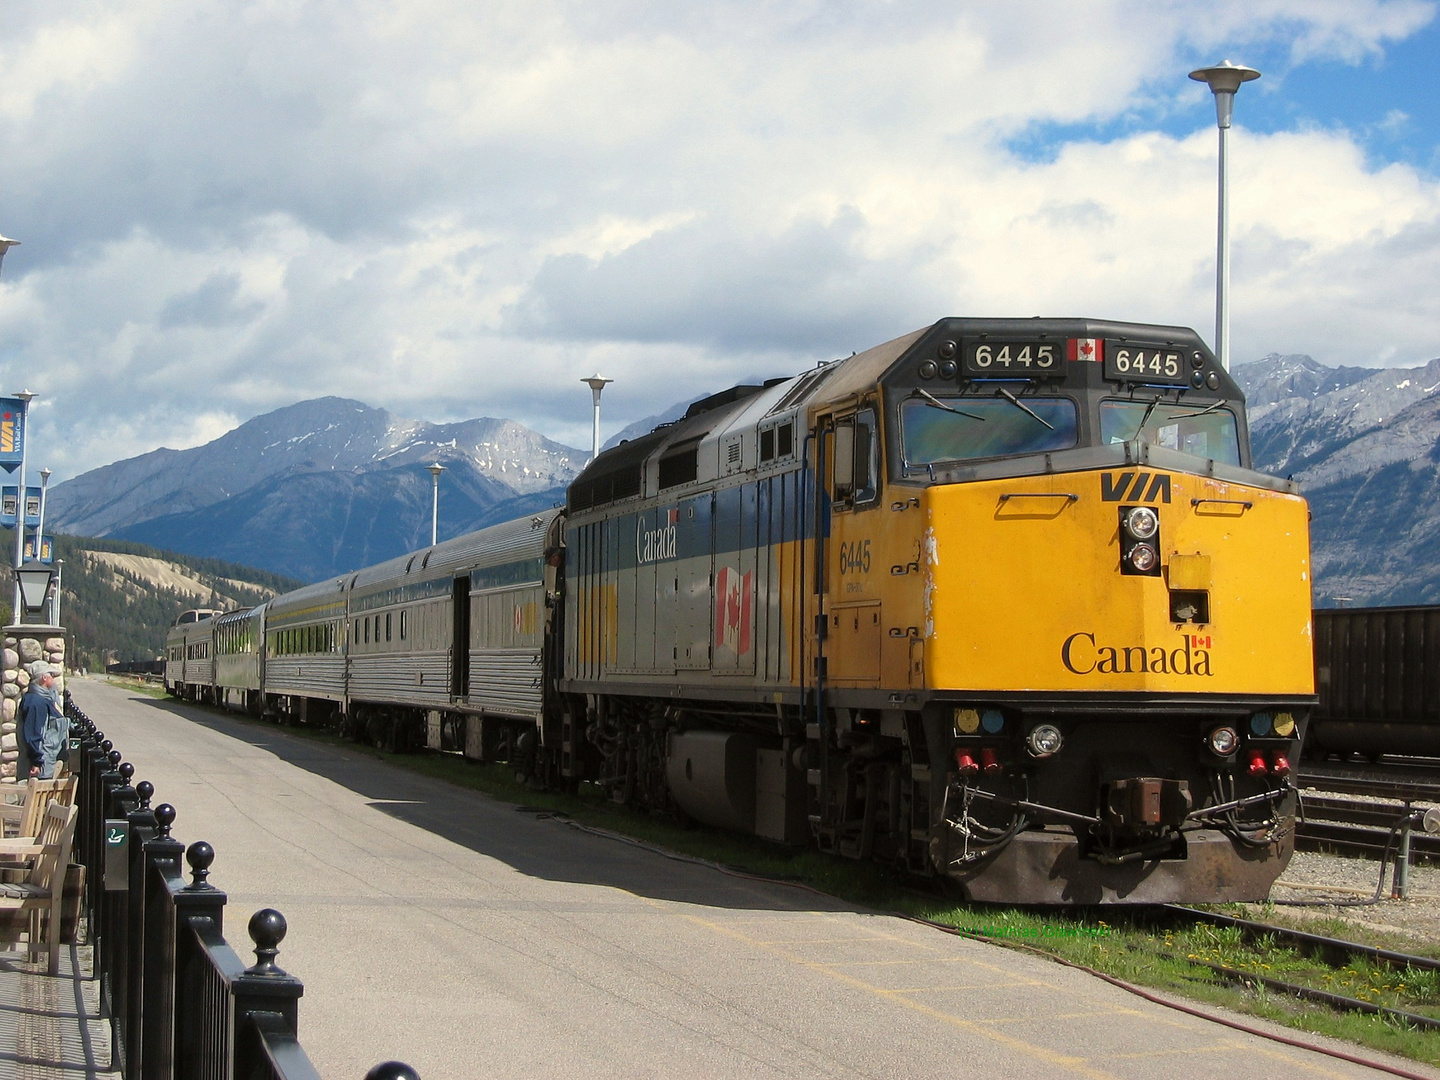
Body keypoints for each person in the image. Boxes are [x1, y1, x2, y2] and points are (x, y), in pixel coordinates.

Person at [20, 672, 65, 780]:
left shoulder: (44, 699)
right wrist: (36, 762)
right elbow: (33, 734)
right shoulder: (36, 702)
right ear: (44, 678)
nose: (54, 678)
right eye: (51, 675)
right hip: (41, 767)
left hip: (48, 762)